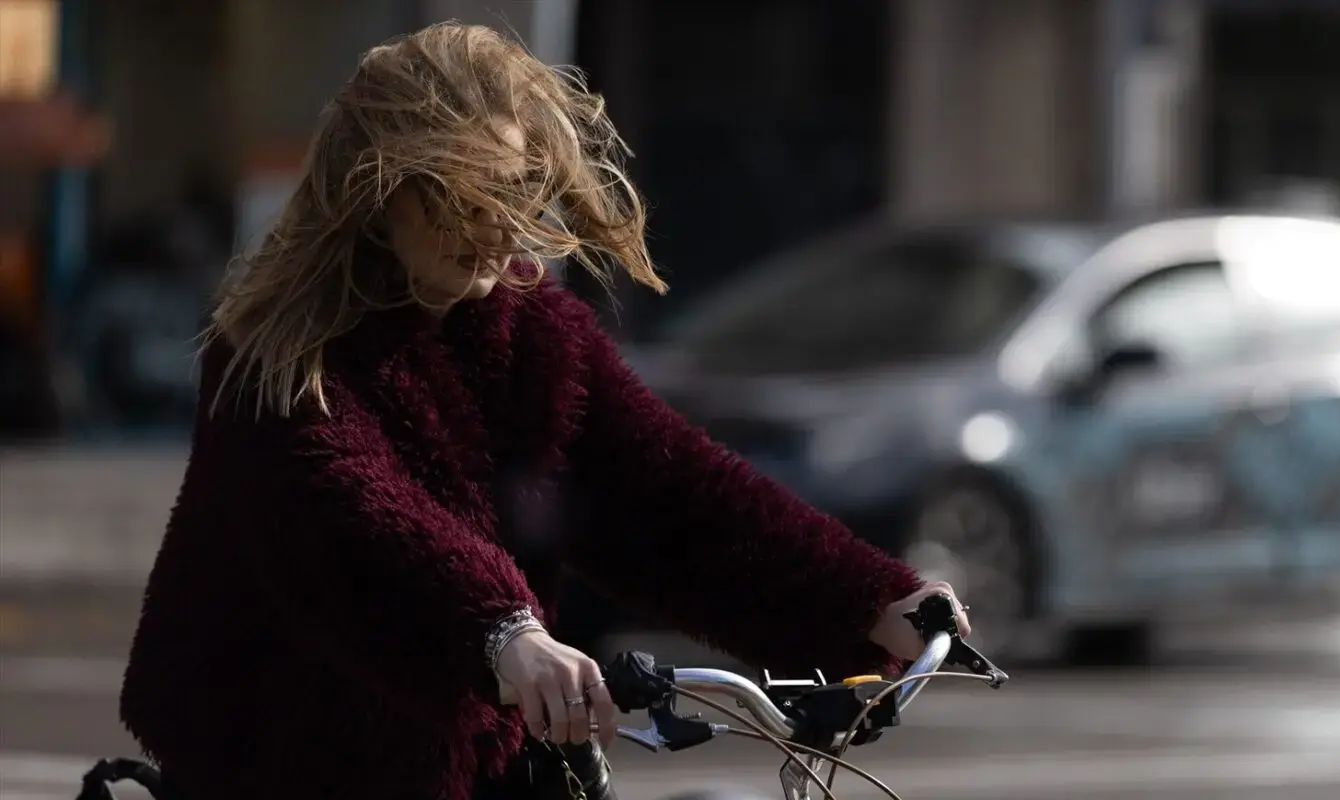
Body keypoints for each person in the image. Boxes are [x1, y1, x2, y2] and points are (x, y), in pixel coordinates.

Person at [118, 22, 970, 800]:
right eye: (462, 196)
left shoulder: (529, 331)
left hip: (469, 766)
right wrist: (501, 630)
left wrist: (868, 603)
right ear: (380, 190)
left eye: (516, 190)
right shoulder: (274, 348)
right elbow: (349, 515)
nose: (497, 226)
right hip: (272, 766)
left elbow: (670, 491)